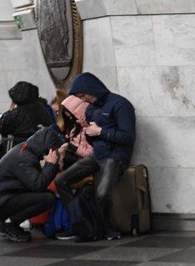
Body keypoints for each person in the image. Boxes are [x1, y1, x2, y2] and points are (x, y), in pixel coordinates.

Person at [54, 72, 136, 241]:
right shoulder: (91, 109)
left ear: (92, 89)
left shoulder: (120, 104)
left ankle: (109, 229)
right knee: (61, 181)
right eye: (80, 97)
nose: (83, 100)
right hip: (97, 154)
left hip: (115, 155)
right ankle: (82, 225)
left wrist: (100, 131)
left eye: (83, 95)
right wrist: (88, 132)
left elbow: (128, 137)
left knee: (102, 193)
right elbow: (92, 139)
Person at [0, 126, 68, 242]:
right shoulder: (24, 158)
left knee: (47, 195)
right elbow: (38, 185)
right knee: (47, 199)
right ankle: (8, 224)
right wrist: (51, 165)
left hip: (2, 197)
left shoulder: (25, 150)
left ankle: (10, 223)